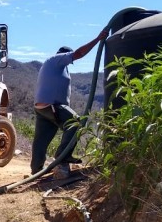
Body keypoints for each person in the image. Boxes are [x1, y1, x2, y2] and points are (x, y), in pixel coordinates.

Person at [30, 29, 109, 178]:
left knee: (41, 139)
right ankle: (62, 156)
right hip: (51, 105)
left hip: (42, 107)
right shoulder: (58, 58)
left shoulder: (51, 65)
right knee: (76, 123)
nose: (71, 61)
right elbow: (79, 53)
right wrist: (98, 38)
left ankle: (36, 170)